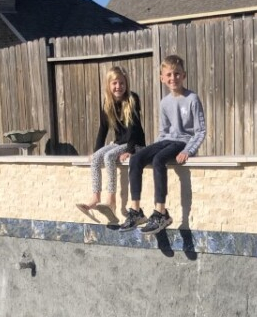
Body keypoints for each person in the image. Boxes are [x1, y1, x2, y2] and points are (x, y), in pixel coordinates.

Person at [119, 55, 206, 236]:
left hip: (182, 142)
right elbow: (163, 132)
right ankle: (136, 211)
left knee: (159, 160)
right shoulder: (164, 102)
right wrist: (147, 151)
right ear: (162, 78)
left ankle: (161, 213)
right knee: (137, 159)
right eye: (169, 75)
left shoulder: (192, 99)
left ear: (184, 75)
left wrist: (188, 150)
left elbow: (200, 131)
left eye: (177, 74)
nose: (173, 78)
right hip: (167, 141)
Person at [77, 66, 144, 212]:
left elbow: (134, 129)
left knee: (109, 157)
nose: (118, 86)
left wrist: (130, 151)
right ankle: (95, 197)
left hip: (135, 143)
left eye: (121, 83)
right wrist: (96, 151)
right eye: (114, 83)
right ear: (109, 85)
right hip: (120, 142)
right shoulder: (107, 103)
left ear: (126, 84)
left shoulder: (132, 99)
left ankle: (111, 200)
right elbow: (103, 130)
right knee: (96, 158)